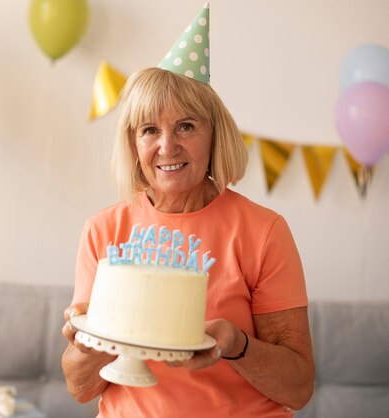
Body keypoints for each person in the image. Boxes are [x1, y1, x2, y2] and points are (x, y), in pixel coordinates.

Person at [61, 4, 314, 417]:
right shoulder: (104, 230)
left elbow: (299, 387)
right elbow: (80, 386)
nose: (167, 147)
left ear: (215, 135)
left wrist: (237, 345)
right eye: (149, 130)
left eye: (186, 126)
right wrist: (86, 341)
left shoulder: (263, 231)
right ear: (133, 144)